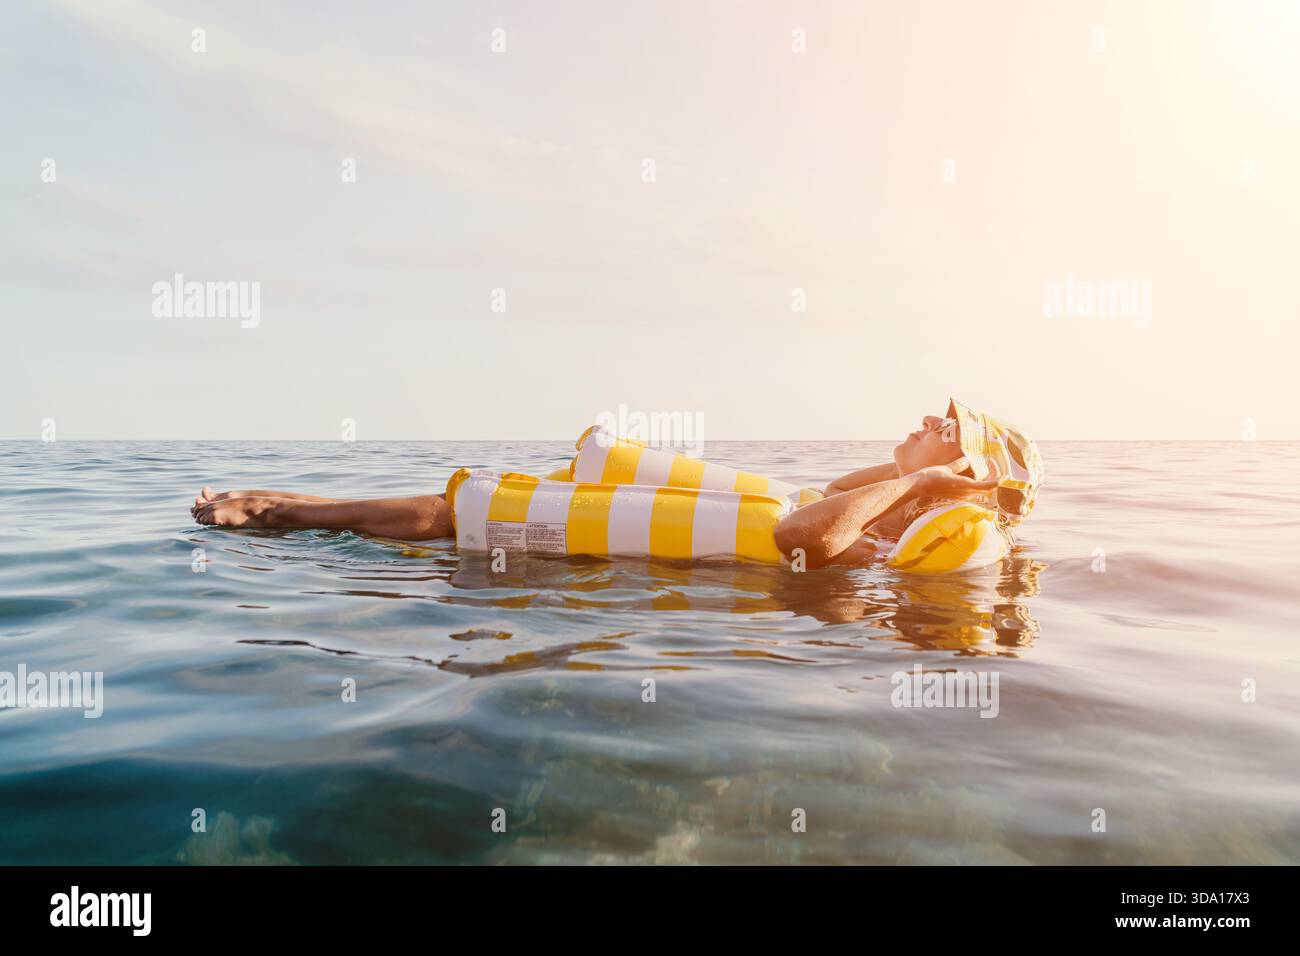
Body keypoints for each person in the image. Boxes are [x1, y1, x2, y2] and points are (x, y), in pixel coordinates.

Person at [192, 399, 1041, 569]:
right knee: (572, 474)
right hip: (730, 543)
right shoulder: (916, 503)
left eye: (944, 422)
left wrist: (953, 480)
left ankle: (287, 512)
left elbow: (807, 539)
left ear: (963, 460)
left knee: (480, 514)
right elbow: (834, 491)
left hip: (736, 555)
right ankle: (298, 510)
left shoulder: (934, 531)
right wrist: (931, 473)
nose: (925, 416)